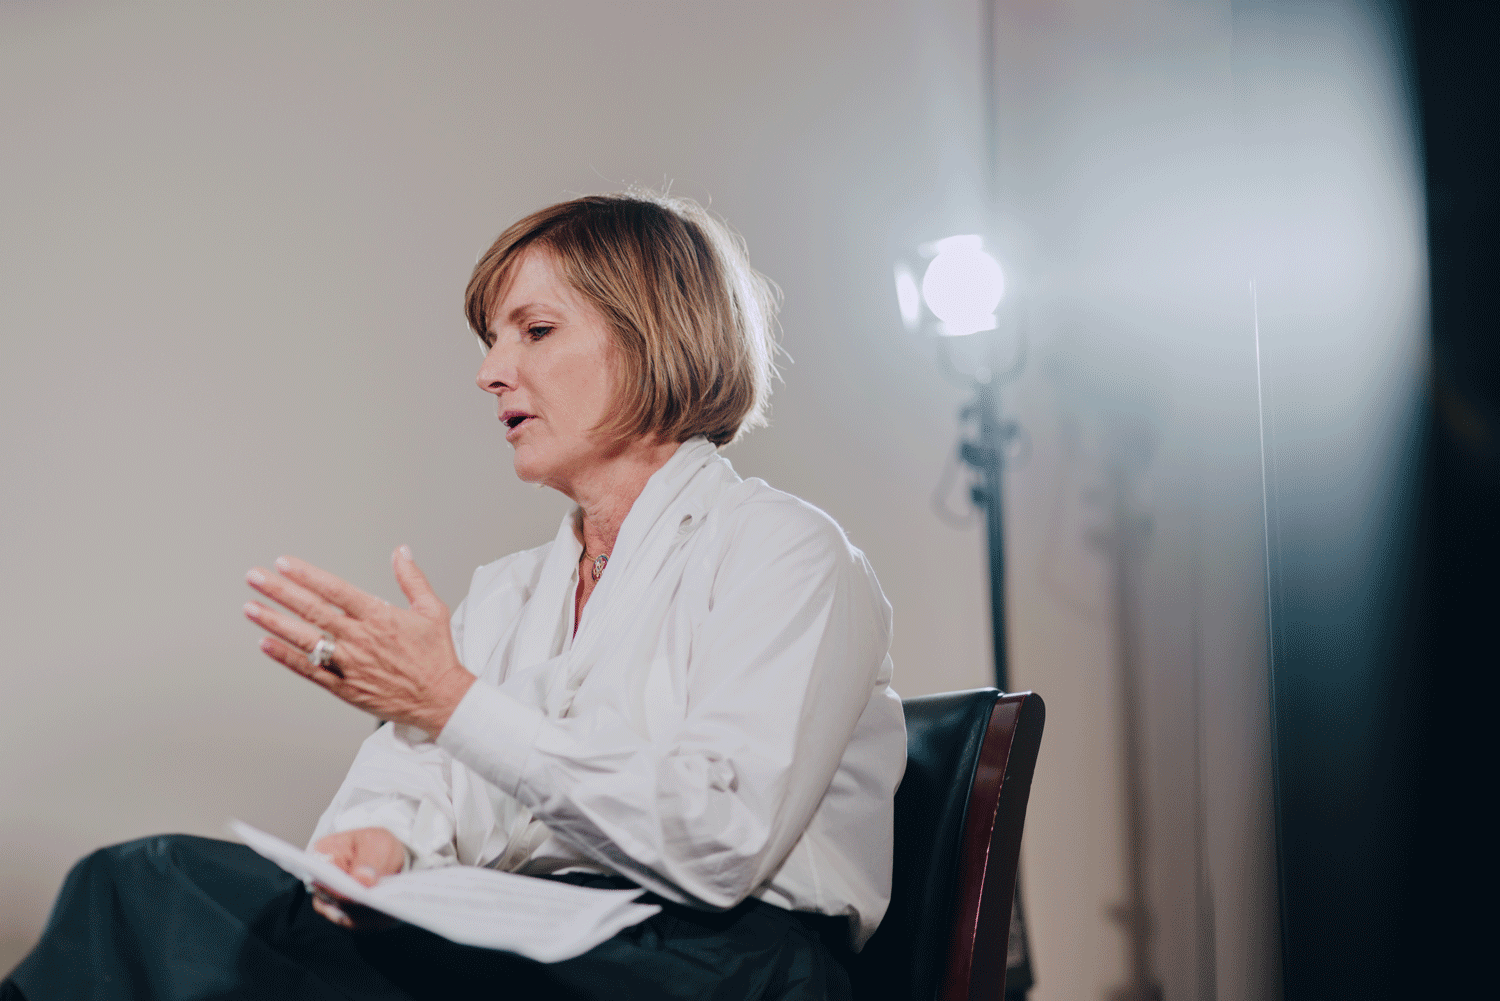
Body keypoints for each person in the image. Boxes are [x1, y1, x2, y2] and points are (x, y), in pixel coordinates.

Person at [3, 193, 906, 1001]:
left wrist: (453, 703)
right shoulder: (508, 591)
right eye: (490, 341)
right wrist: (378, 840)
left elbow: (722, 843)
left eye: (534, 331)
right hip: (530, 941)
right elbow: (417, 779)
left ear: (650, 335)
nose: (491, 371)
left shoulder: (785, 550)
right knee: (142, 886)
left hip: (718, 965)